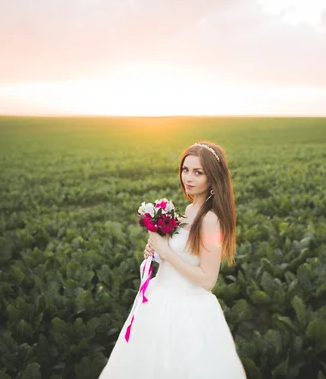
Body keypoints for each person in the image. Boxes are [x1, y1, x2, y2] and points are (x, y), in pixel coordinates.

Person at [99, 141, 247, 378]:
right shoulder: (189, 211)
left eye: (198, 172)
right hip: (159, 297)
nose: (188, 177)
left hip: (186, 307)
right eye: (185, 169)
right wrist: (157, 251)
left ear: (213, 178)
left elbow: (208, 280)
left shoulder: (210, 220)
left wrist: (166, 252)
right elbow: (184, 255)